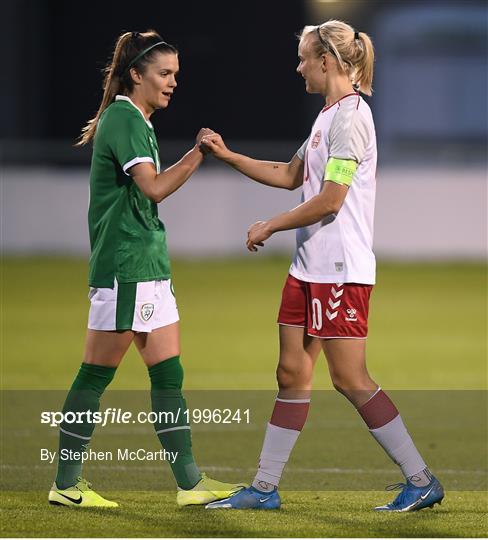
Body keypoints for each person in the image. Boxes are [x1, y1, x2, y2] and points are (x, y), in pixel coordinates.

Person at [201, 20, 444, 512]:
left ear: (327, 61)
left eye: (303, 58)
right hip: (308, 269)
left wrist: (270, 226)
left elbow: (332, 201)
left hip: (339, 270)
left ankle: (421, 479)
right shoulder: (326, 118)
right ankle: (265, 489)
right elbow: (291, 175)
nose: (298, 67)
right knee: (291, 373)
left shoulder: (352, 118)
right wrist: (227, 156)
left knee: (349, 378)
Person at [48, 30, 243, 508]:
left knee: (168, 376)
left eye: (176, 74)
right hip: (125, 267)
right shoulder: (124, 118)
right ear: (136, 75)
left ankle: (190, 484)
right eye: (164, 73)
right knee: (94, 376)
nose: (173, 82)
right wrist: (200, 152)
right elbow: (153, 189)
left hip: (147, 264)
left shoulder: (137, 119)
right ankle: (66, 484)